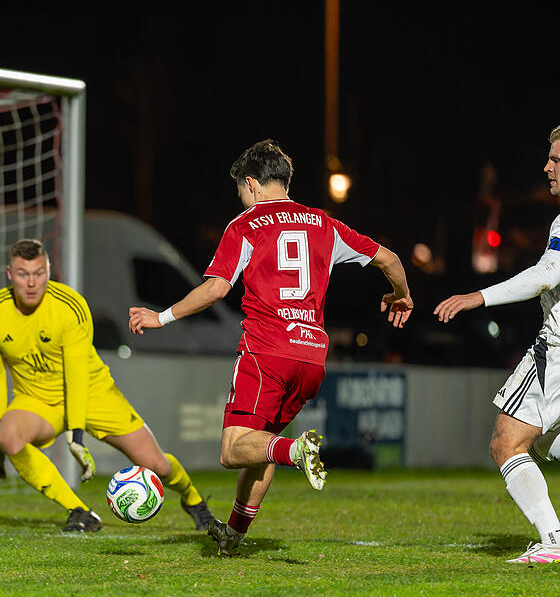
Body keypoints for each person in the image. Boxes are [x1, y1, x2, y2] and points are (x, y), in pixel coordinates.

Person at [129, 139, 413, 555]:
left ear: (251, 184)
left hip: (267, 352)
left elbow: (215, 289)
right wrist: (401, 295)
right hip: (312, 358)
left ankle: (296, 450)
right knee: (259, 447)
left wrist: (162, 317)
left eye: (240, 191)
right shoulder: (325, 224)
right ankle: (235, 535)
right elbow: (388, 259)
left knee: (232, 450)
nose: (241, 200)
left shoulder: (244, 225)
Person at [0, 238, 214, 532]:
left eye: (39, 273)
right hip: (38, 402)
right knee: (9, 435)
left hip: (92, 393)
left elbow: (76, 374)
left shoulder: (69, 307)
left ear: (49, 270)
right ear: (10, 274)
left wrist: (76, 433)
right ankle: (79, 512)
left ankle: (194, 501)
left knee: (157, 466)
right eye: (23, 274)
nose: (32, 282)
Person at [434, 124, 560, 564]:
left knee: (507, 443)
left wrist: (477, 296)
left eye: (557, 160)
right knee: (545, 442)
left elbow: (545, 275)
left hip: (557, 354)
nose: (547, 166)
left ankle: (554, 541)